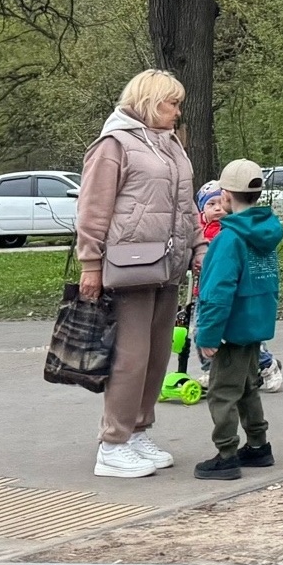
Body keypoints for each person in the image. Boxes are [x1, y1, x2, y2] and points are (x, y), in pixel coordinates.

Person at [75, 69, 206, 479]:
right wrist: (90, 264)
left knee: (156, 355)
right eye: (172, 103)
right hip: (129, 266)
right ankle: (112, 443)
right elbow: (93, 208)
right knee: (130, 358)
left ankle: (137, 431)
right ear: (150, 102)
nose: (178, 112)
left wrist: (199, 246)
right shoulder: (114, 145)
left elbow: (187, 206)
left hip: (168, 265)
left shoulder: (171, 145)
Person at [194, 159, 283, 480]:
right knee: (247, 386)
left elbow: (218, 291)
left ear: (227, 194)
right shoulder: (266, 231)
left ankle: (227, 454)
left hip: (230, 328)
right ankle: (258, 446)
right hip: (255, 323)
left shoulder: (229, 238)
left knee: (222, 392)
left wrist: (207, 334)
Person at [194, 182, 283, 393]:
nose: (216, 208)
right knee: (200, 331)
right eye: (210, 204)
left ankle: (267, 365)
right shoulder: (198, 231)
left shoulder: (231, 229)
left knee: (240, 336)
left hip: (228, 292)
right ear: (201, 209)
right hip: (202, 292)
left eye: (219, 202)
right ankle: (211, 368)